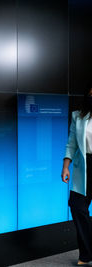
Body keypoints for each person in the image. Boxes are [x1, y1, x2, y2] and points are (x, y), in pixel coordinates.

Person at [62, 84, 92, 266]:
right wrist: (65, 166)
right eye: (90, 94)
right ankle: (86, 253)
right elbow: (71, 143)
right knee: (77, 207)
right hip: (85, 168)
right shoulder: (78, 117)